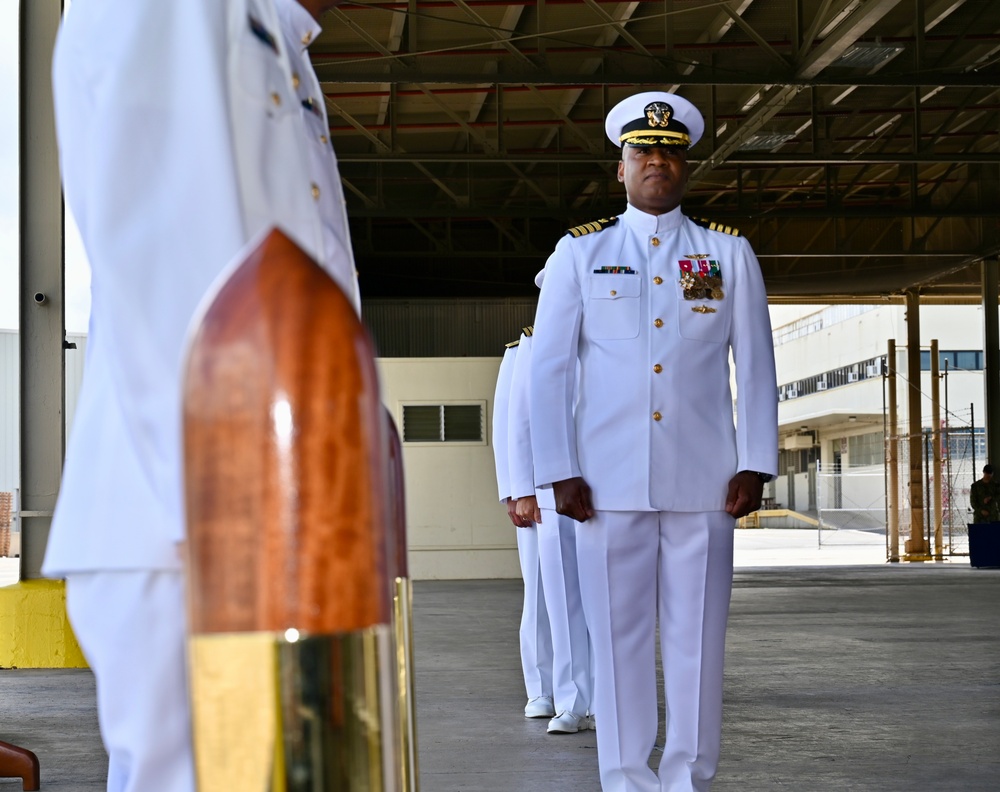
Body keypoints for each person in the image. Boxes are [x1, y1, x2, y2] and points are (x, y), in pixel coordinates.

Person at [44, 2, 359, 790]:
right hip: (196, 524)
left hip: (265, 514)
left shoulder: (272, 32)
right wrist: (221, 507)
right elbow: (159, 250)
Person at [529, 90, 778, 792]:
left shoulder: (727, 252)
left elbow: (755, 362)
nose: (655, 162)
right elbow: (549, 369)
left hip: (707, 481)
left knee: (698, 643)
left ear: (686, 166)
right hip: (603, 485)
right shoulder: (582, 253)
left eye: (668, 151)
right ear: (621, 167)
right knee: (618, 642)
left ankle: (688, 778)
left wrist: (756, 460)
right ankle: (625, 779)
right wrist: (558, 469)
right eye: (642, 151)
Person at [508, 274, 593, 735]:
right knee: (559, 600)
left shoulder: (611, 336)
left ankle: (603, 699)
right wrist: (522, 486)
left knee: (611, 600)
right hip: (552, 489)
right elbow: (520, 417)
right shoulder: (535, 344)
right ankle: (570, 698)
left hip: (612, 486)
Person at [491, 333, 555, 719]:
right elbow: (509, 423)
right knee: (540, 594)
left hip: (601, 488)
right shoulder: (526, 347)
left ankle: (592, 691)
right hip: (540, 493)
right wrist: (516, 490)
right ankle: (541, 688)